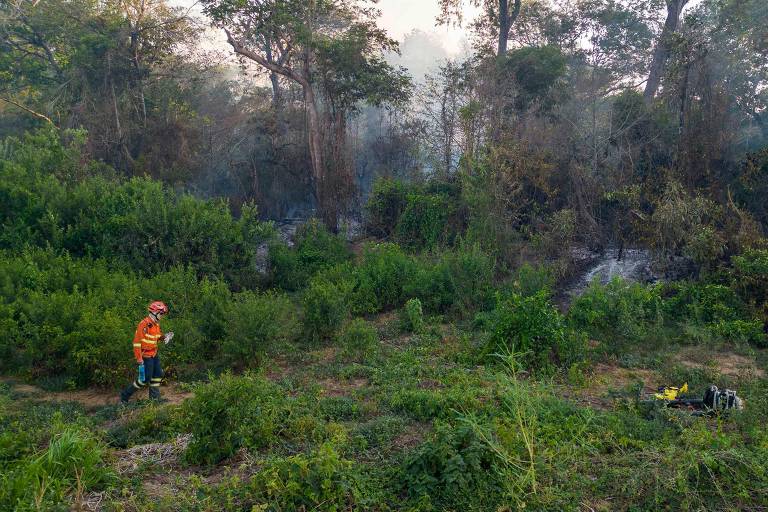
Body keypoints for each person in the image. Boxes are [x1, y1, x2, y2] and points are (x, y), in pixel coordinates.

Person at [120, 301, 173, 403]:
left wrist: (165, 337)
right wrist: (139, 358)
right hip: (145, 356)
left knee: (158, 374)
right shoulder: (143, 324)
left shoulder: (156, 324)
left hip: (154, 354)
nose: (162, 316)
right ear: (154, 312)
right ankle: (125, 395)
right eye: (161, 314)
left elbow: (156, 336)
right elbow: (136, 343)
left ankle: (155, 399)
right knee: (144, 379)